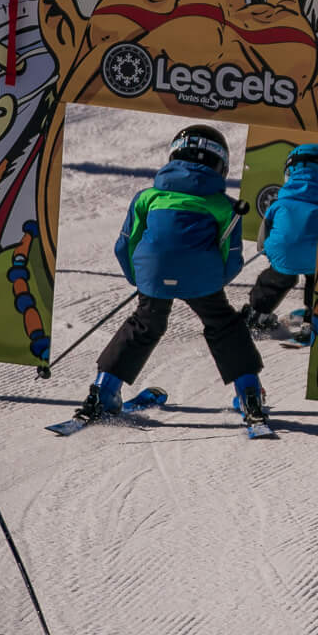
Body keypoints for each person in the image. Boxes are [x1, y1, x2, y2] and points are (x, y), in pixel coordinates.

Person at [82, 124, 264, 425]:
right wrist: (213, 281)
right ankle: (249, 395)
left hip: (153, 274)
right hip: (202, 277)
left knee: (145, 323)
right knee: (224, 324)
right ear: (220, 164)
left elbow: (124, 245)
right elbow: (232, 259)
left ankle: (103, 391)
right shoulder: (225, 206)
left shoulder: (147, 198)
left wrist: (139, 279)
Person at [245, 142, 318, 339]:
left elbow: (264, 232)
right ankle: (314, 320)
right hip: (315, 255)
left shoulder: (281, 202)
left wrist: (266, 249)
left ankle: (258, 316)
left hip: (283, 252)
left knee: (275, 279)